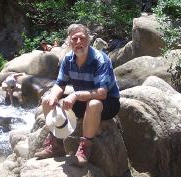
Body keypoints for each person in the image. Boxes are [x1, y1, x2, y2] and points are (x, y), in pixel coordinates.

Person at [35, 23, 120, 167]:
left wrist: (74, 96)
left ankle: (85, 148)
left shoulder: (100, 59)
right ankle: (56, 144)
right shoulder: (68, 59)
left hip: (107, 102)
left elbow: (102, 93)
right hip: (83, 100)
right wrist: (54, 96)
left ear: (89, 39)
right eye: (74, 39)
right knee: (47, 100)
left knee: (93, 104)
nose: (78, 42)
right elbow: (60, 84)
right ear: (69, 41)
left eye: (82, 38)